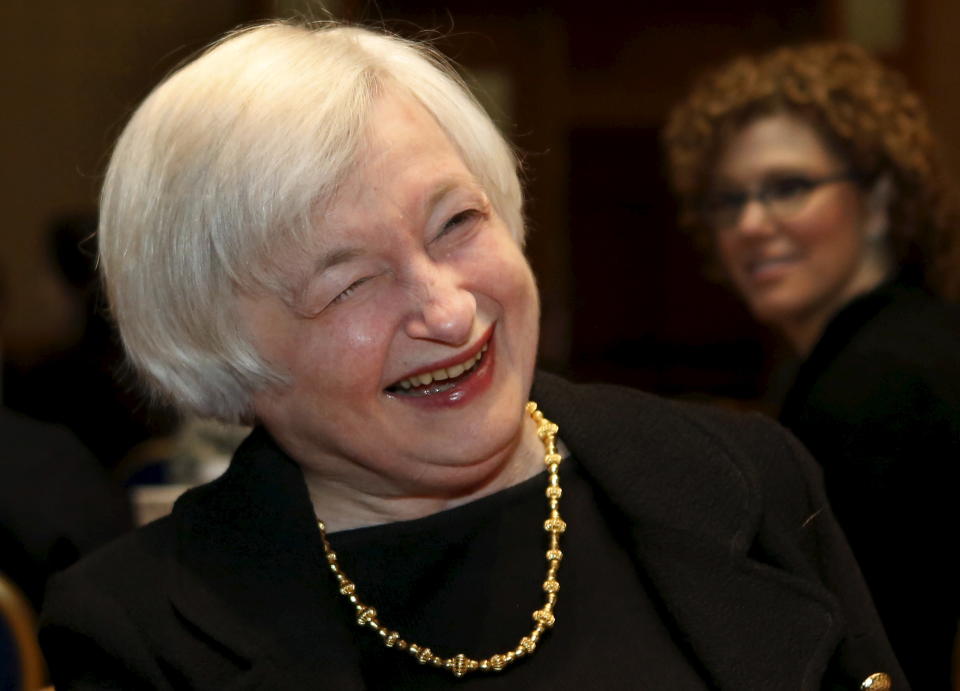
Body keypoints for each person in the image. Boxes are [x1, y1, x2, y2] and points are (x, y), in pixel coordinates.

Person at [40, 22, 904, 689]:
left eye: (457, 223)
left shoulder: (745, 482)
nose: (450, 312)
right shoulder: (141, 631)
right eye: (350, 283)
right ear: (220, 349)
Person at [664, 41, 960, 689]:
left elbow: (868, 652)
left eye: (788, 187)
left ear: (879, 202)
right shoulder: (889, 348)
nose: (751, 223)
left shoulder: (879, 383)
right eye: (728, 200)